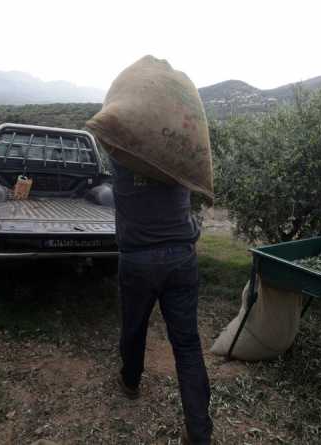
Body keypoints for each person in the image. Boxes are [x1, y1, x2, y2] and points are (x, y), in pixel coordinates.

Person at [110, 157, 213, 445]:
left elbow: (111, 130)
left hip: (137, 259)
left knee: (135, 326)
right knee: (188, 344)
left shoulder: (121, 159)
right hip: (181, 257)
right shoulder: (179, 159)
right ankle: (199, 433)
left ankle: (130, 382)